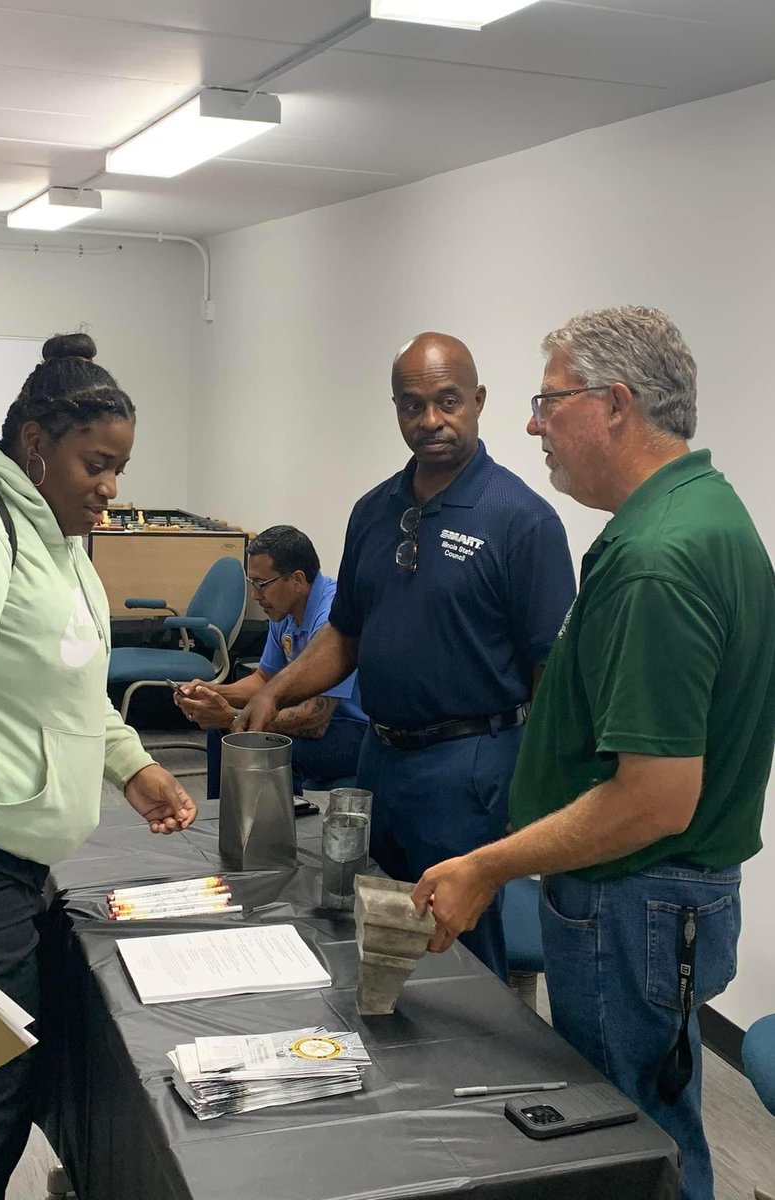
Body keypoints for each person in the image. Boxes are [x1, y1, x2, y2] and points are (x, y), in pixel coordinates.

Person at [411, 306, 775, 1200]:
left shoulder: (660, 557)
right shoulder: (705, 513)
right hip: (661, 901)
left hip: (635, 900)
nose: (533, 424)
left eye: (549, 400)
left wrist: (487, 866)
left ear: (613, 405)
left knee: (625, 1145)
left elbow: (653, 799)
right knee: (655, 1124)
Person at [0, 332, 197, 1200]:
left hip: (2, 873)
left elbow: (61, 678)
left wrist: (129, 762)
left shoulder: (46, 534)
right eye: (98, 463)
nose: (111, 488)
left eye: (120, 467)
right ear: (34, 447)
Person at [235, 332, 575, 977]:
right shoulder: (373, 511)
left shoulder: (522, 521)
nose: (430, 421)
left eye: (448, 401)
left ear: (478, 401)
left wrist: (535, 796)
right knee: (372, 926)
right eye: (411, 405)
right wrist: (275, 691)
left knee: (463, 955)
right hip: (379, 763)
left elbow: (551, 676)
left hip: (469, 770)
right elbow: (346, 633)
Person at [175, 525, 367, 797]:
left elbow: (316, 719)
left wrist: (232, 716)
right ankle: (222, 821)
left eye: (261, 584)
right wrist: (212, 692)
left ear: (297, 580)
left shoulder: (332, 616)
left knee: (264, 747)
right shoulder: (284, 610)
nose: (255, 595)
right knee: (222, 733)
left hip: (354, 731)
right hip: (324, 722)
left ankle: (278, 833)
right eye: (252, 583)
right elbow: (264, 680)